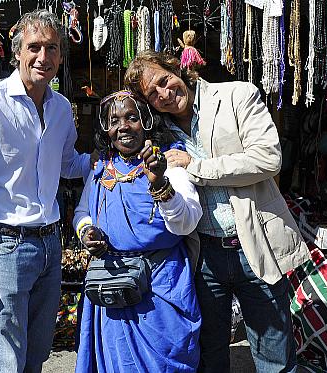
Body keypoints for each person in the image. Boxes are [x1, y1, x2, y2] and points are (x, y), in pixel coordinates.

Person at [124, 50, 311, 373]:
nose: (165, 95)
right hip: (204, 255)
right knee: (210, 354)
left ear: (177, 70)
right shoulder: (161, 135)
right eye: (153, 94)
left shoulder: (237, 95)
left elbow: (267, 158)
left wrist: (197, 167)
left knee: (273, 355)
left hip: (253, 245)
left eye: (165, 81)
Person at [0, 9, 91, 373]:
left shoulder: (61, 108)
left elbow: (69, 166)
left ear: (61, 55)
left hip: (50, 245)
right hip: (5, 249)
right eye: (34, 47)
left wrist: (115, 159)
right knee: (6, 362)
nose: (43, 57)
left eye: (53, 48)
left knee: (36, 356)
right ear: (17, 52)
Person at [73, 90, 203, 372]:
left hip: (161, 285)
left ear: (146, 121)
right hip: (113, 283)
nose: (123, 126)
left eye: (132, 117)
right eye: (115, 119)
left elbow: (187, 222)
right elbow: (82, 213)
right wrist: (87, 233)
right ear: (106, 129)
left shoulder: (170, 164)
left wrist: (159, 183)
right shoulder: (100, 170)